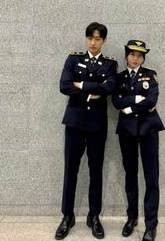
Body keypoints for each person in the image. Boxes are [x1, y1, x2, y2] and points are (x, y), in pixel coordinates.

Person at [55, 22, 118, 240]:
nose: (93, 42)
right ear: (86, 39)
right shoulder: (74, 59)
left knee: (95, 171)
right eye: (90, 38)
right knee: (70, 170)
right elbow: (64, 85)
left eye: (98, 39)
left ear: (104, 41)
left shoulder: (110, 64)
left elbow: (109, 88)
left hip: (96, 127)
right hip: (74, 124)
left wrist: (80, 85)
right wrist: (90, 93)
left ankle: (94, 216)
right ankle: (67, 216)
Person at [112, 40, 165, 241]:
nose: (136, 58)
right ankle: (132, 217)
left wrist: (129, 108)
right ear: (126, 55)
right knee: (130, 175)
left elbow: (152, 100)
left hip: (149, 129)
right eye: (133, 54)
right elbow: (116, 101)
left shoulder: (150, 75)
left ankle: (151, 225)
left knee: (151, 178)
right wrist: (137, 100)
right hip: (127, 131)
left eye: (140, 55)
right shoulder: (119, 78)